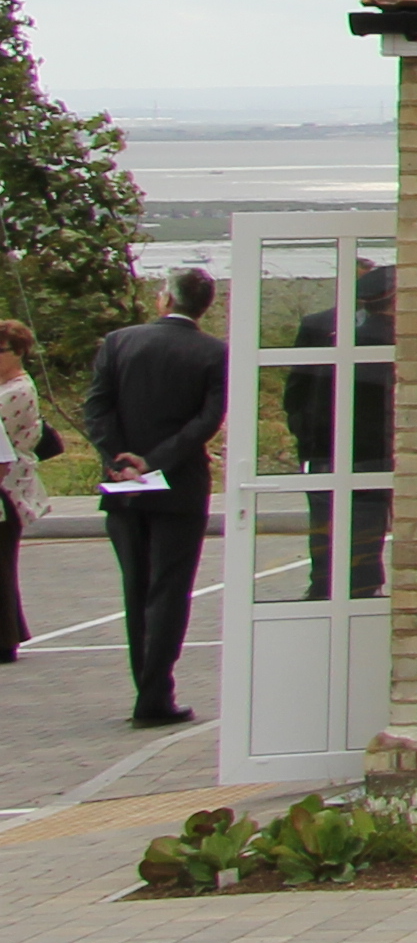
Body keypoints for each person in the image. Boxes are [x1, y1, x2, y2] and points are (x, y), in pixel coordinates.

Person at [89, 269, 229, 729]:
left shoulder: (118, 342)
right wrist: (156, 460)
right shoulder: (215, 353)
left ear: (165, 298)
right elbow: (206, 422)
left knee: (136, 586)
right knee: (169, 590)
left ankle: (146, 688)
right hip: (180, 483)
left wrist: (121, 460)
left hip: (124, 483)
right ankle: (154, 693)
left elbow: (97, 407)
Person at [0, 323, 45, 664]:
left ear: (18, 352)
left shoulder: (16, 390)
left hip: (8, 486)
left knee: (2, 565)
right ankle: (10, 631)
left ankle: (6, 638)